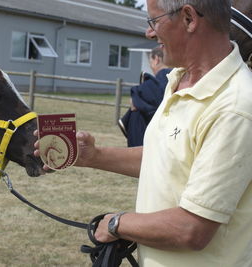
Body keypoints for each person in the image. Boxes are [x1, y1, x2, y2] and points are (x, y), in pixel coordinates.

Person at [34, 0, 252, 266]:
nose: (149, 33)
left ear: (188, 19)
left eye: (154, 21)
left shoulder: (235, 107)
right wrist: (93, 156)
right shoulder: (179, 81)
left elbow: (192, 229)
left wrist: (117, 224)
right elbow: (168, 159)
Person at [119, 46, 171, 147]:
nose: (150, 66)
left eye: (150, 61)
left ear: (156, 59)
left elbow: (135, 101)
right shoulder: (179, 78)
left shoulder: (164, 76)